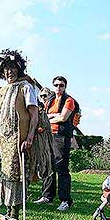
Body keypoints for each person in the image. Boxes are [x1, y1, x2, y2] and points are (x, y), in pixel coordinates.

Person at [0, 49, 38, 220]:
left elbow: (34, 115)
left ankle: (15, 216)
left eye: (12, 68)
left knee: (16, 176)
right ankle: (8, 211)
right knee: (4, 174)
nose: (9, 72)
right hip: (2, 138)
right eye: (6, 69)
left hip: (19, 138)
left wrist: (30, 137)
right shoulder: (2, 90)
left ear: (18, 69)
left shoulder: (26, 87)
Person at [34, 76, 76, 211]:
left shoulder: (69, 100)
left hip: (61, 136)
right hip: (48, 136)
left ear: (65, 86)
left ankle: (65, 200)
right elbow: (44, 115)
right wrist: (53, 116)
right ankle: (47, 196)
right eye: (56, 85)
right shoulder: (50, 101)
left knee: (61, 168)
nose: (59, 87)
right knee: (48, 166)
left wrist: (49, 119)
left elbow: (63, 117)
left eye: (61, 85)